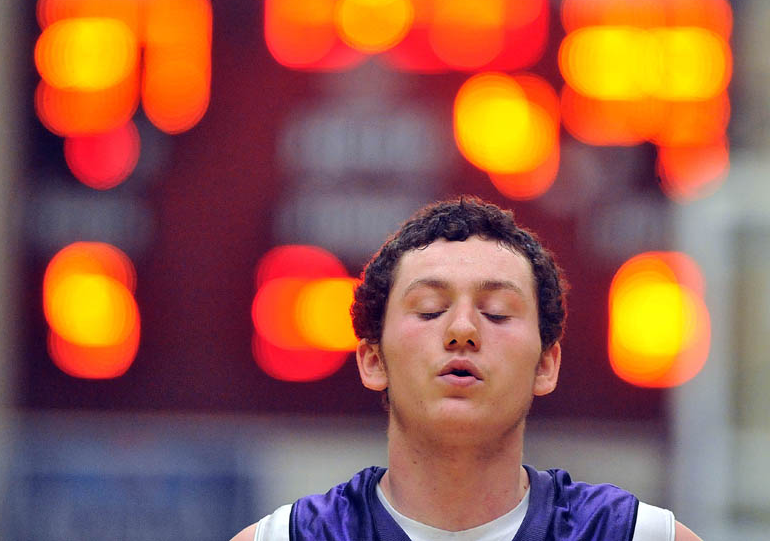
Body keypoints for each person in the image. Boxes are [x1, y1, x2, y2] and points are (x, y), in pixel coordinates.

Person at [233, 196, 702, 541]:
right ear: (373, 360)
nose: (463, 330)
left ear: (546, 364)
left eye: (496, 312)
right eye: (430, 309)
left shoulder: (637, 536)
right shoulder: (285, 538)